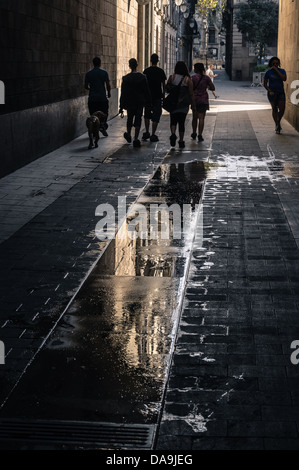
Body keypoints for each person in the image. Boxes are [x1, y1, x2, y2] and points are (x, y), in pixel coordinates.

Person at [119, 58, 151, 148]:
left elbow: (123, 93)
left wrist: (121, 106)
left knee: (129, 118)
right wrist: (149, 102)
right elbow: (146, 91)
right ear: (137, 65)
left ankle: (129, 134)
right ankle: (136, 138)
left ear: (129, 66)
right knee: (138, 119)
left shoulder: (125, 78)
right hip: (139, 102)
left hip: (129, 102)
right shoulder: (143, 77)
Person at [166, 61, 195, 149]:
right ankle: (181, 141)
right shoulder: (187, 79)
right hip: (184, 104)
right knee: (182, 122)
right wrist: (193, 104)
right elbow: (191, 93)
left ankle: (173, 134)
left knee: (173, 120)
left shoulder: (172, 77)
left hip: (173, 103)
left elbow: (167, 88)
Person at [142, 53, 167, 142]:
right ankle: (153, 134)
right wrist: (163, 95)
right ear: (157, 61)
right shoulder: (161, 71)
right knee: (156, 114)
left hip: (148, 96)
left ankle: (147, 132)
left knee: (147, 114)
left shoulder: (146, 71)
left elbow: (143, 84)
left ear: (150, 60)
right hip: (157, 96)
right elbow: (164, 85)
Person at [85, 57, 111, 136]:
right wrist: (109, 93)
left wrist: (92, 89)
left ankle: (95, 130)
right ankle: (102, 125)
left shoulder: (88, 74)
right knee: (104, 114)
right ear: (100, 63)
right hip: (102, 98)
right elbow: (108, 85)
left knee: (93, 117)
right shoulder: (104, 73)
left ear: (93, 63)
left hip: (92, 99)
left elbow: (86, 86)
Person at [191, 62, 215, 142]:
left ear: (196, 69)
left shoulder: (193, 78)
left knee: (194, 117)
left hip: (195, 100)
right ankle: (200, 134)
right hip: (204, 99)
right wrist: (206, 87)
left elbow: (190, 89)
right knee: (201, 118)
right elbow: (213, 87)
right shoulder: (206, 78)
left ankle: (194, 133)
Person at [263, 56, 287, 134]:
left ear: (279, 64)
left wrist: (277, 70)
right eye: (273, 63)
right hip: (272, 93)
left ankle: (278, 121)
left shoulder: (282, 71)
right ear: (271, 64)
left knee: (282, 109)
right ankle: (277, 125)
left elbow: (284, 78)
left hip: (280, 92)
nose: (275, 64)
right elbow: (265, 84)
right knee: (274, 109)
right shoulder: (268, 72)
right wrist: (269, 90)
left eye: (277, 63)